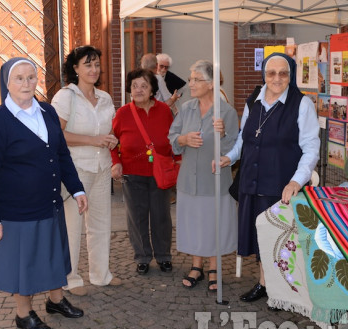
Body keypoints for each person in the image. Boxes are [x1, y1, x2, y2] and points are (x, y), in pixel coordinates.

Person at [0, 57, 86, 329]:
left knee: (53, 254)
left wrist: (77, 188)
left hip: (49, 203)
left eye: (31, 77)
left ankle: (55, 301)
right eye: (19, 78)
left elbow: (61, 155)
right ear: (7, 83)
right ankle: (23, 314)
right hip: (16, 211)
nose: (26, 84)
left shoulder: (47, 112)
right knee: (23, 264)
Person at [218, 53, 320, 303]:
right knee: (261, 236)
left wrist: (297, 180)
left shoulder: (302, 104)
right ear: (264, 74)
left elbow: (311, 147)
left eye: (283, 73)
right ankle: (265, 284)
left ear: (290, 76)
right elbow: (244, 137)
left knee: (281, 240)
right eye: (271, 73)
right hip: (252, 181)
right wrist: (229, 158)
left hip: (281, 184)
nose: (277, 78)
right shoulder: (254, 100)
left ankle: (282, 289)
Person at [51, 46, 121, 297]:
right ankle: (70, 277)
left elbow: (107, 132)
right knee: (72, 226)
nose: (94, 69)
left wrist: (110, 141)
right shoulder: (65, 96)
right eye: (87, 64)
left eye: (96, 64)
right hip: (75, 170)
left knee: (101, 224)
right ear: (76, 68)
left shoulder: (105, 98)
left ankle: (101, 275)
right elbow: (56, 135)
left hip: (101, 167)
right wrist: (94, 140)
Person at [168, 60, 239, 291]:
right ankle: (196, 266)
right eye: (191, 79)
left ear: (211, 83)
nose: (191, 83)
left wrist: (225, 132)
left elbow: (235, 148)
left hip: (215, 181)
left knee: (213, 224)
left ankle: (214, 268)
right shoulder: (186, 108)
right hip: (189, 179)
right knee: (194, 224)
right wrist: (183, 139)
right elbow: (172, 137)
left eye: (196, 79)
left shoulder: (226, 112)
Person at [111, 68, 175, 275]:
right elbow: (112, 142)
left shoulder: (165, 111)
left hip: (159, 172)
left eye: (143, 86)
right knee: (137, 217)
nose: (138, 90)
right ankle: (142, 256)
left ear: (152, 90)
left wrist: (178, 161)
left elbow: (173, 139)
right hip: (132, 172)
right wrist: (116, 162)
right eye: (134, 86)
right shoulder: (122, 113)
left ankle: (164, 255)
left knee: (161, 215)